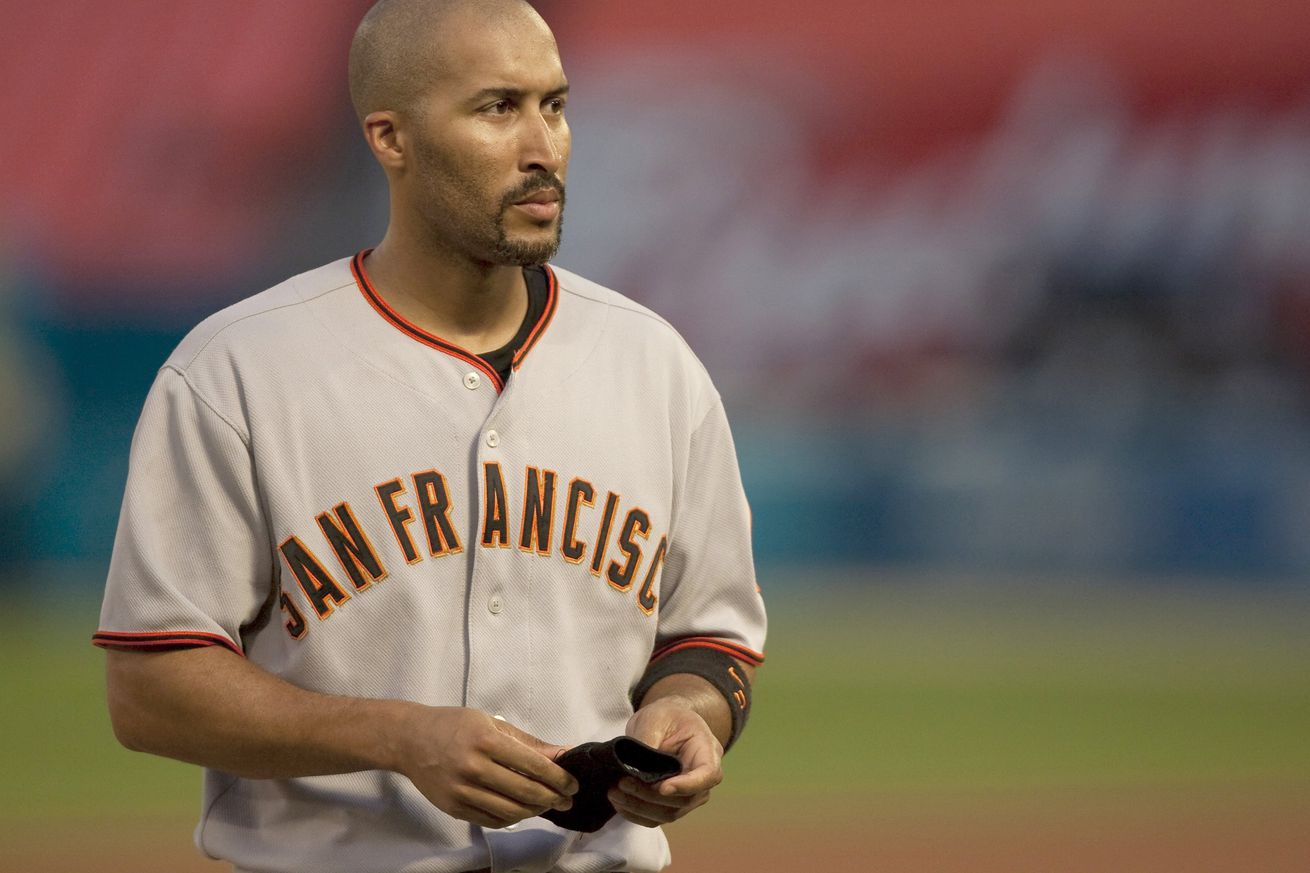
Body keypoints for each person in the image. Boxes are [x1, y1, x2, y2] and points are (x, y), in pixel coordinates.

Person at [94, 1, 766, 871]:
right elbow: (149, 689)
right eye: (497, 108)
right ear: (390, 139)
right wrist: (398, 735)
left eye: (554, 106)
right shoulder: (236, 372)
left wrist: (689, 714)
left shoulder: (656, 365)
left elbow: (710, 638)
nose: (542, 148)